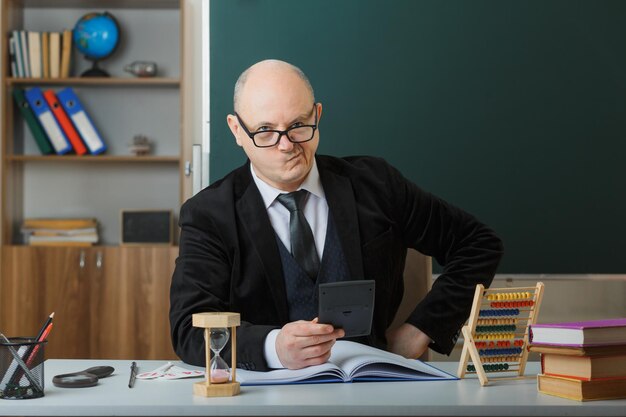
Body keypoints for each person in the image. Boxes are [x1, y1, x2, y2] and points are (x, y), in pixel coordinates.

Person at [170, 59, 503, 371]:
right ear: (237, 130)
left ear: (318, 114)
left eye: (298, 125)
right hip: (265, 398)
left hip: (372, 387)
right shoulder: (208, 215)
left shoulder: (376, 185)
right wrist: (274, 347)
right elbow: (189, 327)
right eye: (266, 131)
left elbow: (478, 244)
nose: (286, 145)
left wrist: (422, 329)